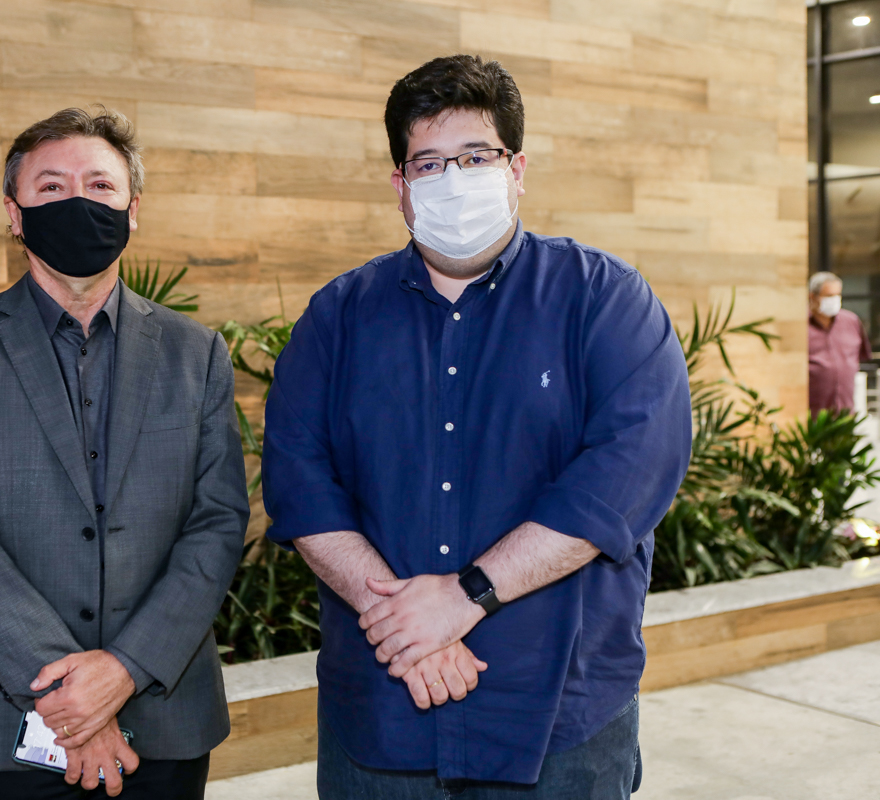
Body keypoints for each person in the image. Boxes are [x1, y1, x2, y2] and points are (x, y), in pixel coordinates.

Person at [261, 56, 692, 799]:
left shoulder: (605, 299)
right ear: (400, 185)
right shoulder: (337, 317)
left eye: (475, 156)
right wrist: (404, 622)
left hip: (560, 718)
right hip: (384, 710)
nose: (452, 179)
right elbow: (300, 482)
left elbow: (625, 476)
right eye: (428, 163)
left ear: (516, 169)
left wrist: (464, 598)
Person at [0, 107, 249, 800]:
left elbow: (216, 524)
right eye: (52, 187)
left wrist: (123, 670)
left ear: (132, 209)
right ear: (14, 214)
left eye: (99, 186)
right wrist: (72, 698)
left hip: (165, 719)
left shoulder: (198, 353)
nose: (78, 202)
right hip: (7, 727)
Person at [808, 271, 871, 417]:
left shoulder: (851, 321)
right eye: (829, 295)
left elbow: (861, 357)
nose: (835, 300)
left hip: (845, 411)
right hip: (812, 414)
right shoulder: (800, 326)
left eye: (838, 295)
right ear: (812, 296)